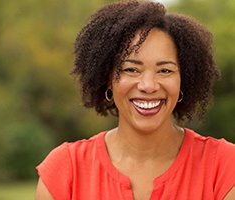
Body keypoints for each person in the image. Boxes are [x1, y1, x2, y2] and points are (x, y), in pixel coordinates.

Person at [35, 0, 235, 199]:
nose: (148, 85)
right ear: (108, 79)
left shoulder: (225, 166)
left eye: (165, 70)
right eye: (131, 69)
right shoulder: (66, 170)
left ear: (184, 80)